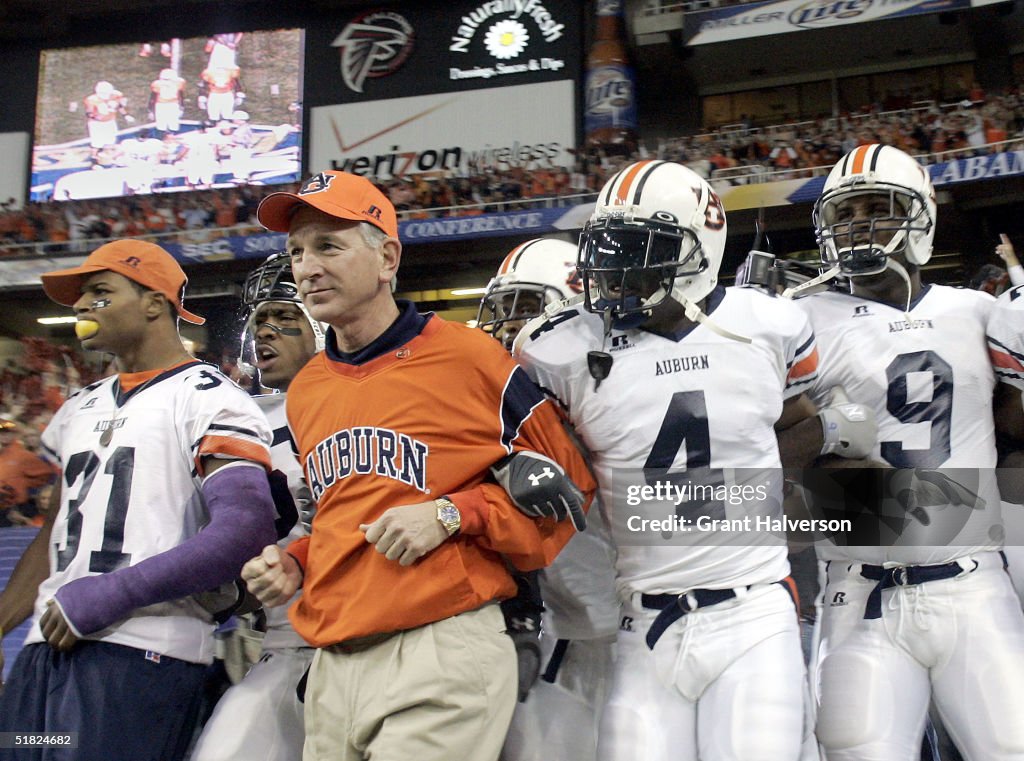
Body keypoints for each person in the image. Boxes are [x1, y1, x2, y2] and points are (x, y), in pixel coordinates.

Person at [514, 160, 866, 760]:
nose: (613, 269)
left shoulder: (764, 325)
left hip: (752, 607)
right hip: (640, 622)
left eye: (636, 249)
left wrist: (758, 492)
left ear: (696, 251)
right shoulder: (561, 350)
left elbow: (797, 427)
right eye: (606, 246)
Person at [241, 170, 597, 761]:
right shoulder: (307, 390)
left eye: (328, 246)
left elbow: (567, 490)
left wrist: (456, 513)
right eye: (297, 251)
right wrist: (296, 561)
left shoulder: (470, 358)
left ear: (387, 258)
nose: (307, 267)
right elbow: (345, 514)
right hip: (333, 661)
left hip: (442, 647)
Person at [0, 239, 277, 761]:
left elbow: (245, 530)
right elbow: (54, 530)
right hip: (45, 656)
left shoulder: (208, 396)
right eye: (82, 297)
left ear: (154, 303)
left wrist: (110, 595)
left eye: (100, 293)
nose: (82, 307)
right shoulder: (77, 407)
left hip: (141, 656)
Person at [796, 143, 1024, 759]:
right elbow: (780, 465)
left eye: (878, 207)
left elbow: (1015, 438)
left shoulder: (979, 312)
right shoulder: (799, 321)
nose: (860, 226)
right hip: (859, 589)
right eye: (846, 214)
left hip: (974, 581)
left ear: (920, 215)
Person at [477, 238, 619, 761]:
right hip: (563, 634)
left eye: (528, 310)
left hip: (656, 624)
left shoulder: (617, 390)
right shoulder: (498, 409)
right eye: (503, 311)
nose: (507, 330)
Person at [190, 252, 324, 761]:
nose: (265, 332)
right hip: (280, 643)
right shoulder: (239, 417)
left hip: (366, 639)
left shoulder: (366, 405)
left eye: (286, 319)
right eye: (260, 319)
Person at [84, 80, 131, 159]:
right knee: (97, 143)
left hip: (110, 121)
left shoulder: (116, 95)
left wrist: (125, 115)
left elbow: (119, 106)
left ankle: (110, 158)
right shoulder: (92, 100)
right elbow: (89, 114)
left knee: (111, 141)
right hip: (97, 124)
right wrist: (98, 117)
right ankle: (94, 159)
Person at [150, 67, 186, 136]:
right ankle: (160, 140)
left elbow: (180, 95)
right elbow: (153, 97)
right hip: (161, 105)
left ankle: (173, 140)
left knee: (173, 125)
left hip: (173, 105)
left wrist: (182, 107)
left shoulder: (179, 83)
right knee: (161, 126)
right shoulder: (157, 84)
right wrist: (151, 110)